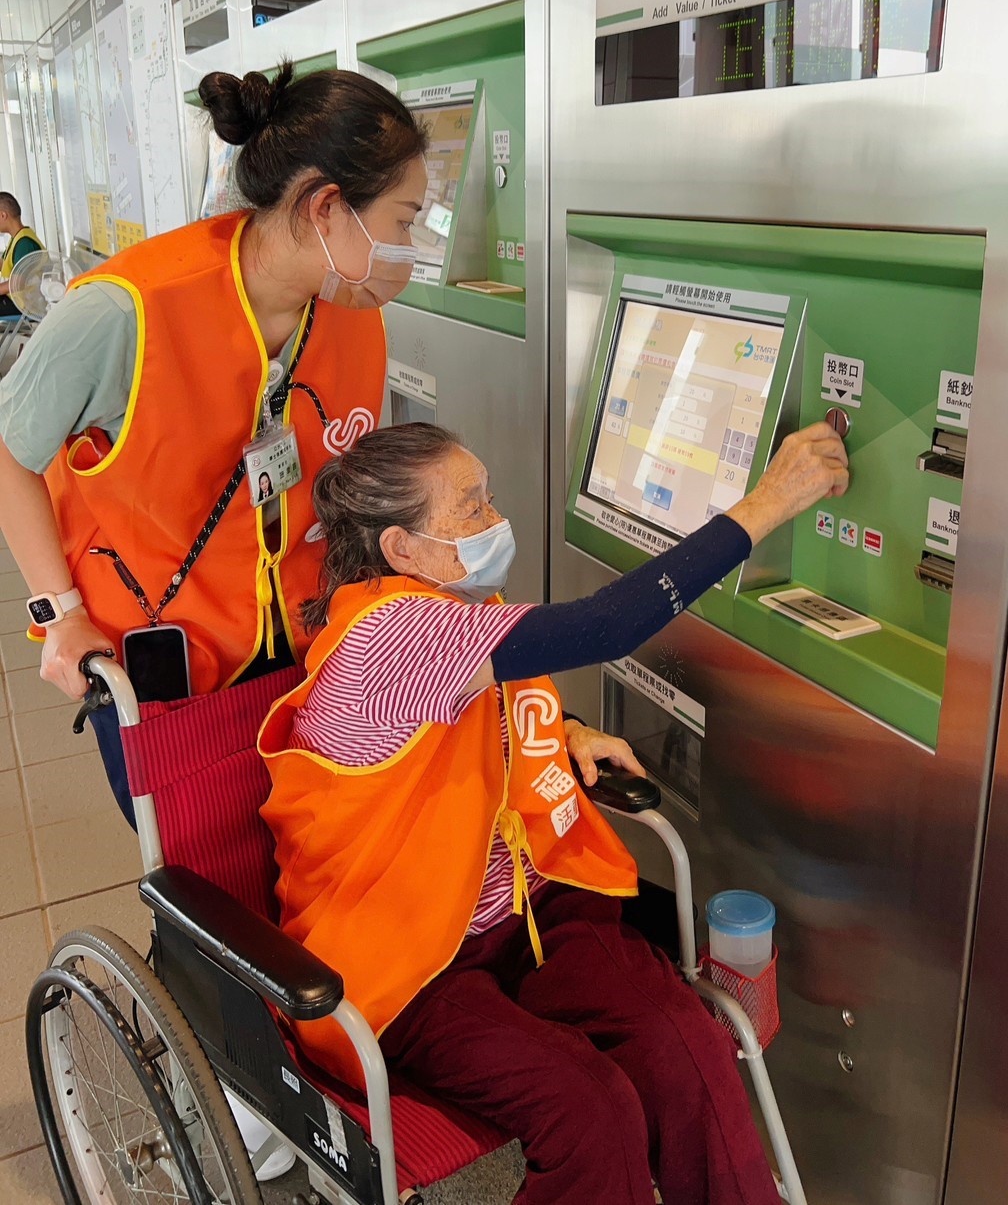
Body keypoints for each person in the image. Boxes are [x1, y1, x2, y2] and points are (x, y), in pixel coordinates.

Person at [259, 419, 849, 1205]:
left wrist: (560, 730)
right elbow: (606, 626)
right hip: (415, 964)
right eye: (470, 508)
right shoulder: (388, 635)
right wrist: (770, 500)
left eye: (488, 498)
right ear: (401, 548)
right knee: (591, 1107)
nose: (493, 520)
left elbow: (457, 718)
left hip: (528, 911)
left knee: (686, 1047)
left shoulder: (449, 605)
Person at [0, 62, 429, 822]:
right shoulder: (126, 311)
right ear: (327, 207)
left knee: (295, 856)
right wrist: (60, 610)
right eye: (403, 220)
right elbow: (7, 450)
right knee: (199, 869)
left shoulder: (350, 311)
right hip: (156, 652)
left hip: (297, 641)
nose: (413, 245)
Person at [0, 192, 44, 316]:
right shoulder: (18, 237)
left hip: (24, 303)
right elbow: (4, 264)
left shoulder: (24, 243)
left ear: (3, 215)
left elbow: (17, 284)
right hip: (14, 299)